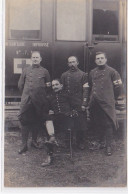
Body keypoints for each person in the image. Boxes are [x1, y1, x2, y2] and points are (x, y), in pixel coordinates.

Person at [88, 51, 123, 156]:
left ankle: (108, 146)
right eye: (98, 58)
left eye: (102, 58)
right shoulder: (92, 72)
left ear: (106, 59)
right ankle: (100, 142)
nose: (100, 60)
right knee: (98, 123)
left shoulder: (113, 72)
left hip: (107, 103)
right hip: (95, 102)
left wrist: (112, 98)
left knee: (108, 124)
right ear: (95, 61)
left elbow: (119, 87)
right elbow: (91, 86)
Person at [18, 51, 51, 154]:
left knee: (37, 121)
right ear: (31, 59)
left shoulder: (45, 71)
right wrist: (26, 95)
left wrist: (40, 96)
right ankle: (24, 145)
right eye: (33, 57)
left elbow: (48, 86)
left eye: (37, 57)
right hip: (27, 100)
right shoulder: (26, 70)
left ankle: (34, 141)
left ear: (40, 59)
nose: (35, 59)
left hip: (39, 101)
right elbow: (20, 85)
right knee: (24, 122)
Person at [41, 79, 77, 166]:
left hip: (67, 120)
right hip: (56, 122)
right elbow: (46, 110)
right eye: (53, 85)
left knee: (51, 125)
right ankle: (50, 150)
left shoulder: (67, 95)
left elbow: (75, 107)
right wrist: (49, 111)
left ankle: (51, 140)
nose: (55, 87)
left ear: (61, 85)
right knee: (48, 119)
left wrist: (72, 112)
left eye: (56, 84)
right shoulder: (50, 97)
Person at [61, 56, 88, 150]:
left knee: (81, 124)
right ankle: (68, 142)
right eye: (70, 62)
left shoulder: (83, 75)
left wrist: (84, 103)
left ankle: (81, 142)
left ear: (77, 62)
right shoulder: (64, 75)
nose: (72, 64)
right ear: (68, 64)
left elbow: (85, 90)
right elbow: (62, 90)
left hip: (79, 102)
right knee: (68, 123)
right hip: (68, 103)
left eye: (73, 62)